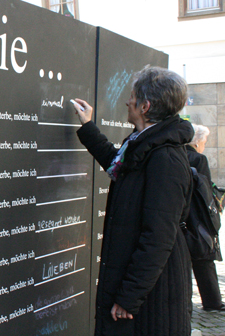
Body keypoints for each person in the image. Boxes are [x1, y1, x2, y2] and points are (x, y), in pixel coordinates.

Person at [73, 66, 193, 335]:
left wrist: (129, 296)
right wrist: (89, 127)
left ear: (145, 106)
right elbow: (120, 167)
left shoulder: (165, 159)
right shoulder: (145, 145)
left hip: (152, 298)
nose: (127, 101)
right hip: (142, 288)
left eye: (132, 96)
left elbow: (158, 238)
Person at [186, 123, 224, 311]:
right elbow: (205, 192)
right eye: (205, 141)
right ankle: (212, 302)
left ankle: (185, 305)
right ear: (197, 141)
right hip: (198, 217)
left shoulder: (176, 155)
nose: (205, 145)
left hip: (181, 216)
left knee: (183, 263)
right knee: (204, 260)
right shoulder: (198, 159)